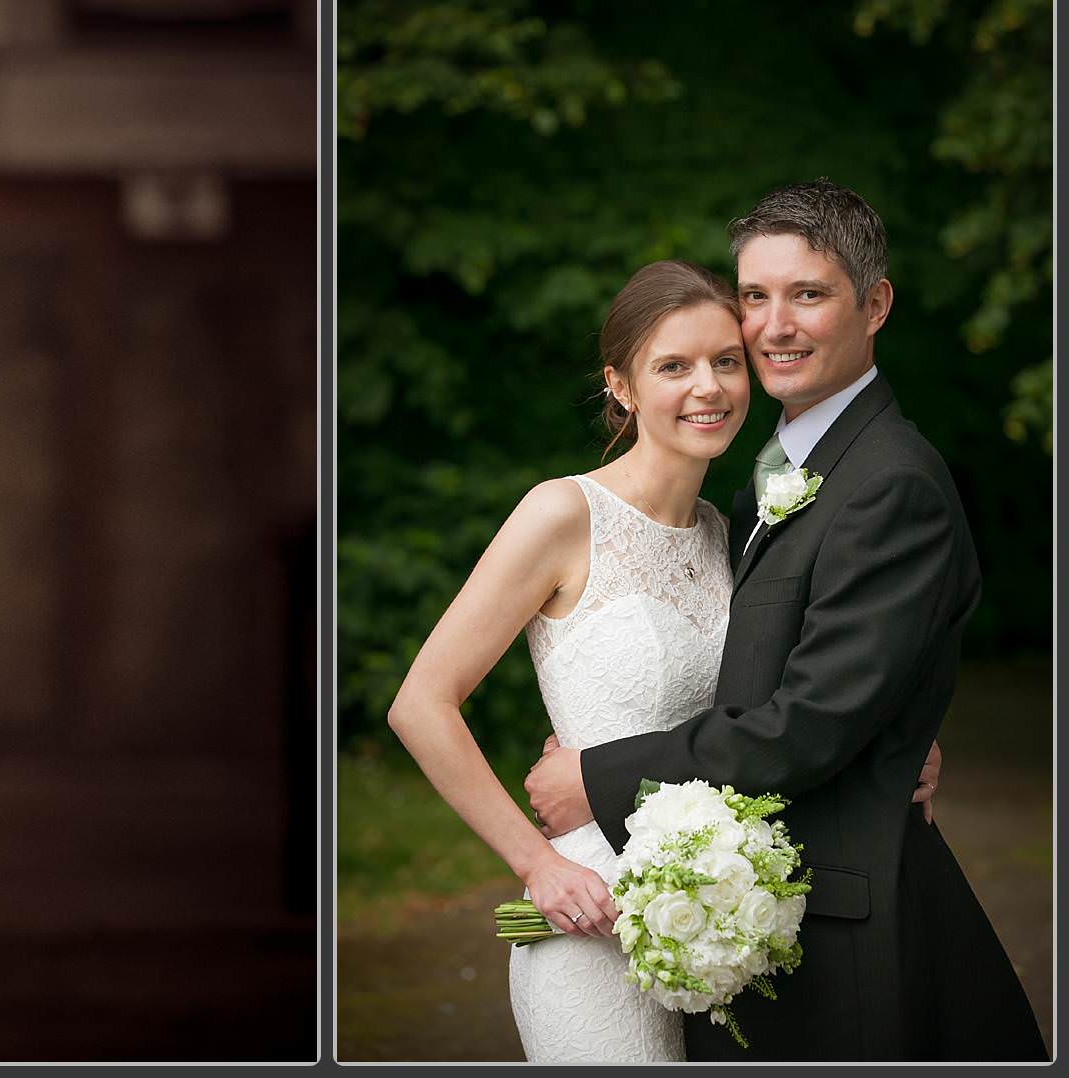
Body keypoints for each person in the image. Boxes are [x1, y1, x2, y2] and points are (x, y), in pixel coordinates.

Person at [524, 181, 1045, 1060]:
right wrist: (898, 730)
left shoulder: (891, 483)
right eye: (755, 297)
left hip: (843, 936)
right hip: (738, 926)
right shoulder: (772, 472)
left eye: (808, 293)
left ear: (874, 305)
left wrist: (598, 779)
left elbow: (808, 725)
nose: (774, 326)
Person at [388, 259, 755, 1061]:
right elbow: (421, 703)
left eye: (727, 361)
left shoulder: (728, 537)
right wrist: (538, 864)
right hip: (585, 913)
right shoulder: (563, 514)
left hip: (714, 920)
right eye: (674, 366)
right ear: (620, 385)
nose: (709, 387)